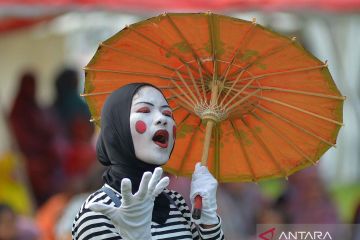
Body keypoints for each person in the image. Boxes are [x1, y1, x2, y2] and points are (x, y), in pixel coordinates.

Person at [72, 83, 225, 239]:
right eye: (144, 110)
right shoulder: (97, 211)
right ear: (117, 127)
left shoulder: (176, 203)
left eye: (167, 113)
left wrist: (209, 221)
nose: (162, 119)